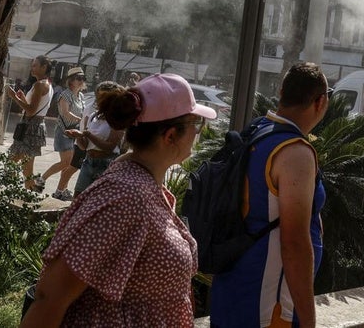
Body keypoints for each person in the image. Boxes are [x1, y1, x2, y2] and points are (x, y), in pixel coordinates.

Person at [20, 73, 216, 327]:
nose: (199, 132)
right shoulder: (124, 197)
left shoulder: (142, 185)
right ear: (170, 136)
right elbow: (49, 298)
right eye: (197, 124)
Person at [210, 62, 329, 328]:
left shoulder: (257, 131)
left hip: (232, 291)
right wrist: (309, 322)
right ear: (320, 102)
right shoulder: (294, 151)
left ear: (281, 91)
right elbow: (295, 244)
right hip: (269, 308)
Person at [65, 81, 124, 197]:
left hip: (107, 164)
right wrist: (79, 136)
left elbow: (110, 146)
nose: (100, 100)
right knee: (78, 199)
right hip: (88, 161)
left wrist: (87, 134)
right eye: (99, 96)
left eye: (105, 97)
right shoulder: (93, 116)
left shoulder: (118, 119)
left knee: (99, 200)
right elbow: (85, 146)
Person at [7, 55, 54, 191]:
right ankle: (29, 190)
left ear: (44, 67)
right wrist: (22, 98)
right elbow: (34, 109)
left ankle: (13, 190)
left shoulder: (40, 85)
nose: (31, 68)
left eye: (35, 65)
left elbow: (31, 111)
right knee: (26, 166)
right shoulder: (47, 84)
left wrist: (14, 97)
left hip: (29, 127)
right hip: (35, 127)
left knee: (12, 161)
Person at [41, 67, 86, 201]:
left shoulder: (81, 95)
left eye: (83, 78)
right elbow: (65, 112)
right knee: (66, 162)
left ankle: (62, 190)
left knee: (68, 163)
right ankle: (42, 178)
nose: (81, 81)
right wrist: (81, 119)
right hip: (64, 131)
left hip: (75, 133)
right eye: (78, 78)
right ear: (71, 81)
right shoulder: (65, 94)